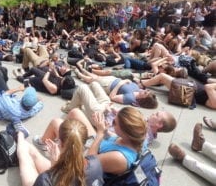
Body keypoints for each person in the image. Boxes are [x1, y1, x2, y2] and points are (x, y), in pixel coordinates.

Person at [33, 107, 176, 152]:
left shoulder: (120, 157)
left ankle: (45, 142)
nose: (112, 122)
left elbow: (90, 162)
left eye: (115, 122)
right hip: (101, 139)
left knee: (56, 122)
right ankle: (62, 140)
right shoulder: (139, 132)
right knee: (75, 112)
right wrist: (103, 128)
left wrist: (102, 131)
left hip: (92, 148)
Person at [16, 119, 104, 186]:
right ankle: (20, 136)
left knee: (24, 153)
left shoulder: (45, 179)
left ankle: (19, 135)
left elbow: (55, 180)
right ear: (84, 142)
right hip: (62, 176)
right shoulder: (95, 163)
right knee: (31, 151)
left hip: (53, 180)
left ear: (60, 143)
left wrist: (53, 167)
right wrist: (56, 164)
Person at [0, 71, 44, 135]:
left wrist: (19, 89)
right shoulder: (30, 111)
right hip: (7, 99)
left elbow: (5, 94)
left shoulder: (10, 106)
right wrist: (36, 99)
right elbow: (40, 104)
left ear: (23, 98)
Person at [139, 73, 216, 109]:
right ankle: (143, 80)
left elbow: (208, 87)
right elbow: (209, 82)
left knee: (162, 76)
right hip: (187, 88)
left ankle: (142, 84)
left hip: (185, 92)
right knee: (164, 77)